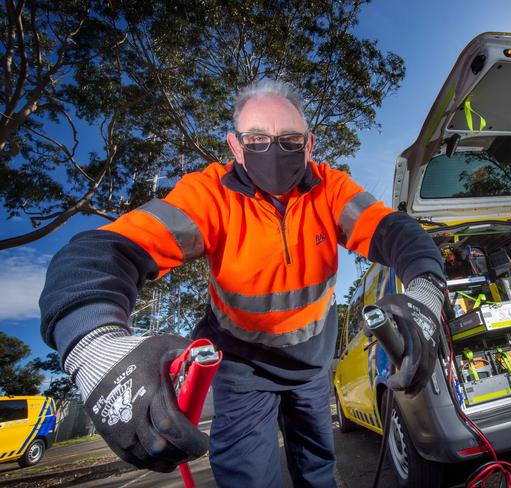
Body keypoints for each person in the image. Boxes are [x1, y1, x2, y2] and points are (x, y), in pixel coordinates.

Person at [39, 80, 446, 487]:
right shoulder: (210, 196)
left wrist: (426, 297)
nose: (273, 151)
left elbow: (397, 233)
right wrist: (94, 346)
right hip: (242, 368)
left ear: (309, 145)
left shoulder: (330, 190)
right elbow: (106, 252)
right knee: (249, 479)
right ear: (236, 146)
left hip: (311, 367)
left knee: (318, 471)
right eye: (257, 139)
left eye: (289, 140)